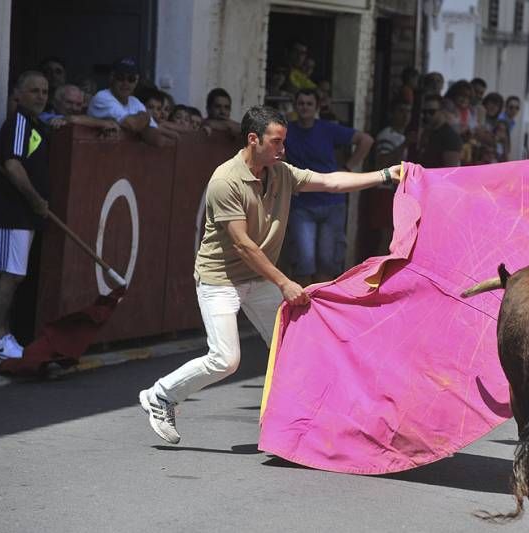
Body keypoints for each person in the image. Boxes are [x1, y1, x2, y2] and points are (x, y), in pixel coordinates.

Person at [138, 105, 401, 443]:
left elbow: (331, 181)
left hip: (259, 281)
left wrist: (383, 175)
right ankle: (160, 396)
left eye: (283, 142)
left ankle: (300, 422)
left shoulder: (281, 173)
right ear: (253, 140)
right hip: (221, 280)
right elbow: (244, 245)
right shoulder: (225, 181)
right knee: (226, 359)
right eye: (276, 143)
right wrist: (284, 282)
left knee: (293, 346)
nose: (283, 149)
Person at [0, 71, 50, 359]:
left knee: (14, 275)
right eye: (34, 91)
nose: (41, 97)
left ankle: (4, 334)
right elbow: (12, 165)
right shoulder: (19, 123)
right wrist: (35, 201)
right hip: (12, 213)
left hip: (24, 215)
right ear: (18, 94)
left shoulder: (36, 125)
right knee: (10, 275)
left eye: (45, 92)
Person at [285, 89, 373, 285]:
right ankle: (303, 310)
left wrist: (347, 168)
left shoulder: (327, 129)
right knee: (303, 262)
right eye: (301, 103)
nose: (305, 107)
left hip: (332, 202)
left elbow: (366, 140)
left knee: (327, 262)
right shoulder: (286, 131)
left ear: (316, 107)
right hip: (302, 205)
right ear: (295, 105)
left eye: (309, 103)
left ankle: (321, 309)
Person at [87, 58, 160, 144]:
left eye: (131, 79)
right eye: (120, 77)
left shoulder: (135, 102)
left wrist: (141, 122)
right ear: (111, 78)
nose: (126, 83)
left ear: (136, 82)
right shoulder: (102, 97)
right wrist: (146, 118)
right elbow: (133, 124)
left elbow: (156, 139)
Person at [40, 84, 120, 134]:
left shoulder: (85, 118)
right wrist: (104, 123)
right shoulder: (43, 117)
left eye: (78, 104)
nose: (74, 108)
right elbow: (72, 119)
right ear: (56, 102)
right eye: (69, 103)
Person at [417, 95, 462, 168]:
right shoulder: (425, 132)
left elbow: (450, 170)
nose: (427, 115)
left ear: (441, 111)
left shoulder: (450, 136)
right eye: (424, 112)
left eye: (431, 112)